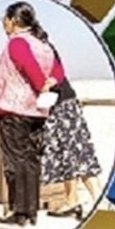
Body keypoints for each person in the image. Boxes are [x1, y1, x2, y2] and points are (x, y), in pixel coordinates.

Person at [0, 2, 55, 226]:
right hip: (36, 111)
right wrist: (46, 86)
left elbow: (31, 70)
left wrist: (40, 84)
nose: (3, 23)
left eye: (5, 19)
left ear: (14, 21)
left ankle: (19, 213)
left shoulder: (18, 42)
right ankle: (31, 211)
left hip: (14, 110)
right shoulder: (44, 44)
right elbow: (57, 71)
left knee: (14, 161)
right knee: (31, 160)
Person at [40, 51, 103, 220]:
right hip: (60, 105)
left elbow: (57, 73)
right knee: (71, 155)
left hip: (62, 105)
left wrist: (48, 83)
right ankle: (76, 200)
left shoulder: (38, 47)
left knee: (75, 154)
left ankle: (95, 202)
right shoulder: (40, 47)